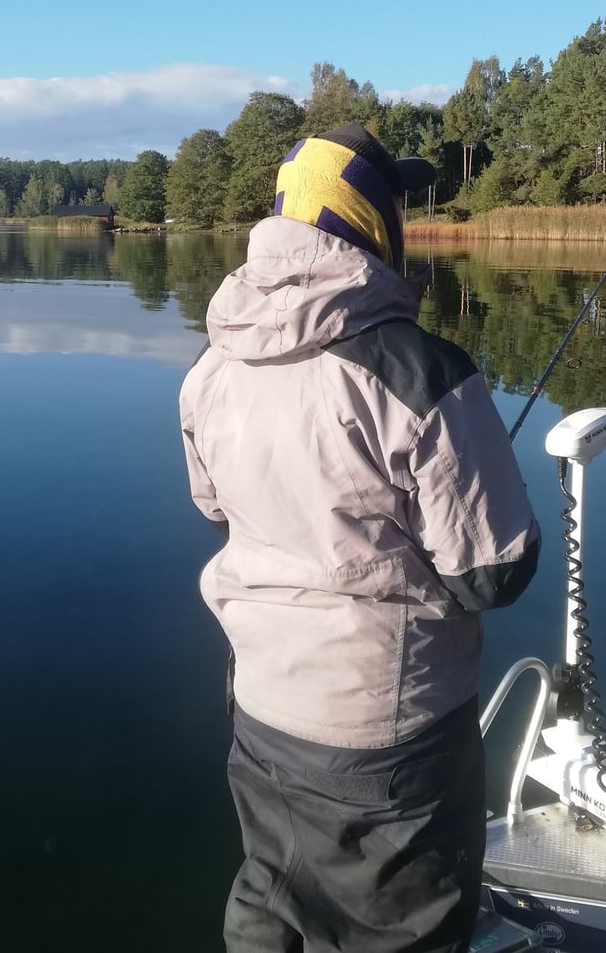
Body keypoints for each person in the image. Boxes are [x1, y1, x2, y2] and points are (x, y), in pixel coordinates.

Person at [179, 123, 540, 953]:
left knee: (270, 910)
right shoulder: (422, 373)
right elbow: (495, 572)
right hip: (391, 750)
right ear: (372, 222)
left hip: (263, 716)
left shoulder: (210, 372)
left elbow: (214, 505)